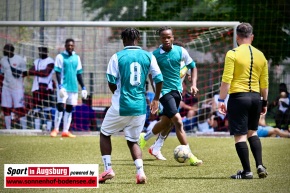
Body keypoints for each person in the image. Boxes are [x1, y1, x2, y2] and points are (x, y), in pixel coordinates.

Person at [98, 28, 163, 184]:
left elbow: (111, 81)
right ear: (138, 39)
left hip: (121, 105)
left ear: (123, 40)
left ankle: (108, 169)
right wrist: (156, 99)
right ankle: (140, 173)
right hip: (140, 106)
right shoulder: (149, 56)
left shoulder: (117, 57)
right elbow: (159, 79)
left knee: (105, 133)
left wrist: (117, 94)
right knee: (132, 140)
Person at [139, 26, 202, 166]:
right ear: (160, 39)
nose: (166, 40)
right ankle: (190, 156)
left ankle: (145, 137)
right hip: (163, 91)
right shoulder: (154, 54)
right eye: (163, 37)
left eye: (169, 37)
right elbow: (150, 73)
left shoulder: (181, 51)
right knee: (178, 121)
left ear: (173, 38)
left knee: (166, 122)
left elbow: (193, 66)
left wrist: (194, 84)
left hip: (177, 92)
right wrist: (156, 93)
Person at [218, 23, 269, 179]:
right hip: (255, 98)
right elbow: (264, 83)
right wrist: (264, 102)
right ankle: (260, 164)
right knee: (252, 133)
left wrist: (221, 99)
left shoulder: (232, 53)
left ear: (237, 37)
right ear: (252, 37)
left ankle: (247, 172)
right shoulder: (261, 55)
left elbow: (226, 80)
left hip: (239, 98)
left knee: (240, 136)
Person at [50, 38, 87, 138]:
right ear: (65, 46)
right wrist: (60, 86)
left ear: (74, 46)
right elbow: (57, 72)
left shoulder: (77, 58)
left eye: (72, 45)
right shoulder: (60, 57)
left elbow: (79, 74)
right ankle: (56, 129)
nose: (70, 47)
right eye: (68, 45)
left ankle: (65, 131)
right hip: (63, 87)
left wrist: (83, 87)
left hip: (73, 87)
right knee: (60, 107)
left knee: (70, 108)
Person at [0, 43, 28, 130]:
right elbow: (2, 73)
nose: (4, 51)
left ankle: (24, 129)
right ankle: (8, 129)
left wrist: (17, 73)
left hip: (17, 88)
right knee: (6, 107)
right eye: (4, 49)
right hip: (6, 87)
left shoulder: (20, 60)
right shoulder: (2, 60)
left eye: (6, 49)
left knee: (20, 108)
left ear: (11, 50)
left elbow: (25, 73)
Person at [28, 46, 54, 131]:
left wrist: (37, 72)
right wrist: (39, 71)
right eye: (39, 51)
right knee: (36, 109)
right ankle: (37, 129)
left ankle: (49, 128)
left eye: (42, 50)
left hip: (46, 88)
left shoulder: (50, 61)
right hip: (36, 88)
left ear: (46, 51)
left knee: (48, 109)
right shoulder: (36, 61)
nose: (40, 52)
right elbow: (30, 71)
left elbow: (46, 73)